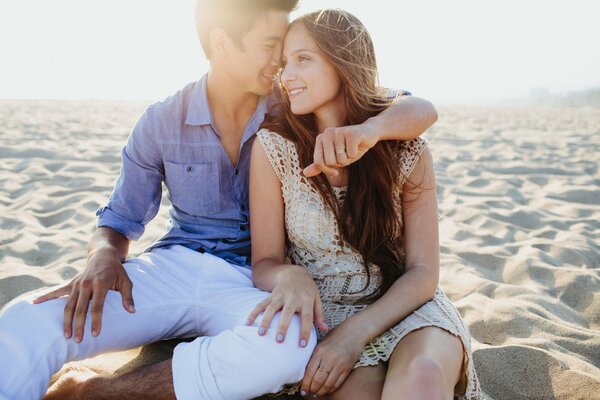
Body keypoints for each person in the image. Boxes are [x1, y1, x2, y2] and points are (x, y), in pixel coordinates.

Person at [0, 1, 438, 400]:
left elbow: (411, 106)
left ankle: (96, 393)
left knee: (288, 346)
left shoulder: (294, 105)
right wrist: (101, 256)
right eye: (272, 47)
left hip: (252, 279)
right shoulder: (161, 120)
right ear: (222, 43)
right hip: (173, 265)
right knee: (26, 318)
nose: (280, 64)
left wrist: (368, 132)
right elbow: (120, 216)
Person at [247, 9, 482, 399]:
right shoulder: (274, 149)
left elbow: (423, 273)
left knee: (422, 376)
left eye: (303, 59)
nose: (287, 76)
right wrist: (292, 277)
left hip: (405, 306)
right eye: (285, 63)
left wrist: (355, 335)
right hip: (327, 313)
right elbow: (264, 263)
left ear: (344, 62)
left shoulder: (406, 149)